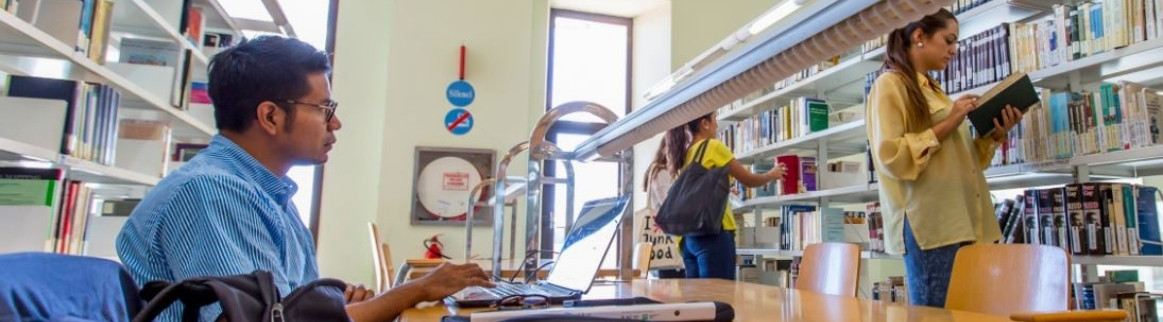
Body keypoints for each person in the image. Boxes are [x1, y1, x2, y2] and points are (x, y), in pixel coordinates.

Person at [116, 35, 494, 321]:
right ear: (270, 117)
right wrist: (418, 288)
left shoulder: (267, 194)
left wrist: (324, 304)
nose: (336, 123)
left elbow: (285, 309)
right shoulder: (211, 192)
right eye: (325, 108)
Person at [865, 8, 1023, 308]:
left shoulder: (934, 91)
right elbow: (891, 157)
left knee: (965, 313)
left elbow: (962, 162)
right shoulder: (890, 84)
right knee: (936, 314)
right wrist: (950, 121)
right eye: (948, 40)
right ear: (919, 36)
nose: (954, 49)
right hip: (932, 226)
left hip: (964, 219)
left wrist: (994, 135)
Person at [665, 112, 784, 280]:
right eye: (715, 120)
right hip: (712, 234)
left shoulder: (686, 153)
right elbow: (748, 180)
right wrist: (771, 174)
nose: (717, 125)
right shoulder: (713, 146)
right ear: (704, 123)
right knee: (719, 300)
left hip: (687, 240)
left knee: (696, 303)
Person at [642, 137, 684, 278]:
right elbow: (671, 205)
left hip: (665, 245)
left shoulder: (662, 171)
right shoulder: (662, 172)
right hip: (667, 243)